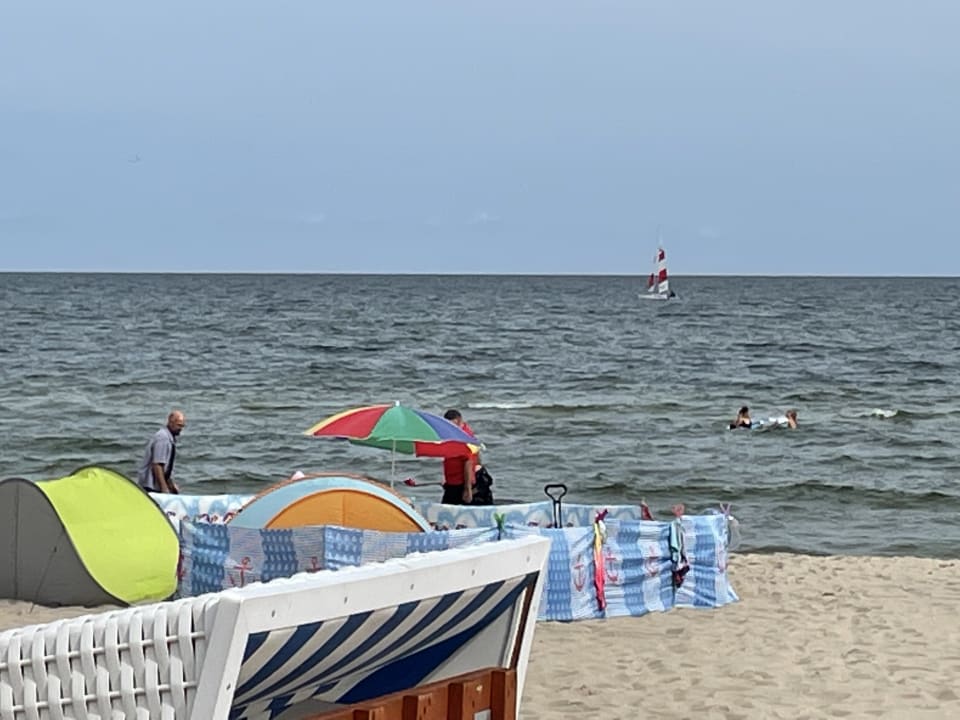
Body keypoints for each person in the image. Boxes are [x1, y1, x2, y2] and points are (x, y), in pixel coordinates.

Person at [137, 410, 185, 493]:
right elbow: (157, 465)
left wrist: (171, 485)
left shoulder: (169, 438)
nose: (180, 429)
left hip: (155, 485)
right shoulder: (163, 438)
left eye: (182, 426)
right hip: (150, 486)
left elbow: (166, 468)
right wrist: (164, 488)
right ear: (171, 422)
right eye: (179, 425)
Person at [441, 408, 479, 505]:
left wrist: (468, 489)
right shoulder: (453, 435)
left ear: (459, 421)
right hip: (451, 481)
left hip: (460, 484)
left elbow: (468, 463)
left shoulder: (465, 437)